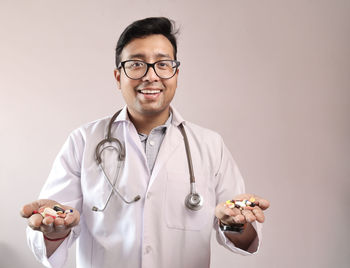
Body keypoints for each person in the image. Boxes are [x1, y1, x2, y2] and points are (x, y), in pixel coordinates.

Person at [20, 17, 270, 268]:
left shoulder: (210, 145)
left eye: (163, 64)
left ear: (176, 74)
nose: (151, 76)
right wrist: (54, 230)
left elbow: (242, 236)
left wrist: (235, 223)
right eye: (137, 64)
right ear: (118, 77)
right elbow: (52, 228)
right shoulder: (83, 141)